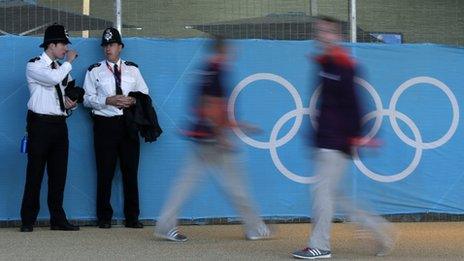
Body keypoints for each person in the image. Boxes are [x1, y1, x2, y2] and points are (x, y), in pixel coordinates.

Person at [291, 16, 394, 259]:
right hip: (326, 139)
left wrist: (362, 136)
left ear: (338, 36)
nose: (321, 34)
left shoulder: (344, 64)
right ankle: (382, 232)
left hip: (337, 141)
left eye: (327, 31)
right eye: (319, 31)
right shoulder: (325, 63)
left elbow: (356, 103)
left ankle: (320, 245)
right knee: (334, 194)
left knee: (322, 192)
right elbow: (327, 105)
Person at [155, 37, 271, 242]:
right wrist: (221, 135)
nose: (235, 50)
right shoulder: (218, 70)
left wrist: (238, 125)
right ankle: (255, 227)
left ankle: (165, 224)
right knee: (236, 184)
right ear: (224, 49)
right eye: (232, 47)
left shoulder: (205, 69)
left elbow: (208, 105)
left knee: (186, 182)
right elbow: (211, 105)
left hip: (201, 136)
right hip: (213, 140)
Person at [83, 27, 149, 229]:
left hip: (128, 125)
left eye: (111, 45)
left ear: (120, 47)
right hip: (105, 126)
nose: (107, 49)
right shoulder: (94, 70)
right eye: (105, 45)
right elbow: (86, 99)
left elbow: (144, 93)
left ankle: (132, 217)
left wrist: (132, 100)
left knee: (131, 171)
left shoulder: (133, 69)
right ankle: (104, 217)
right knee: (105, 172)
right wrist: (108, 100)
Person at [20, 24, 79, 232]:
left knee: (58, 174)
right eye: (63, 44)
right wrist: (70, 62)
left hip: (59, 125)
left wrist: (71, 101)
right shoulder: (34, 65)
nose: (66, 49)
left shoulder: (61, 69)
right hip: (40, 125)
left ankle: (58, 219)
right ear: (51, 45)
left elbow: (67, 90)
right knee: (34, 173)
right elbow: (53, 79)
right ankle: (28, 220)